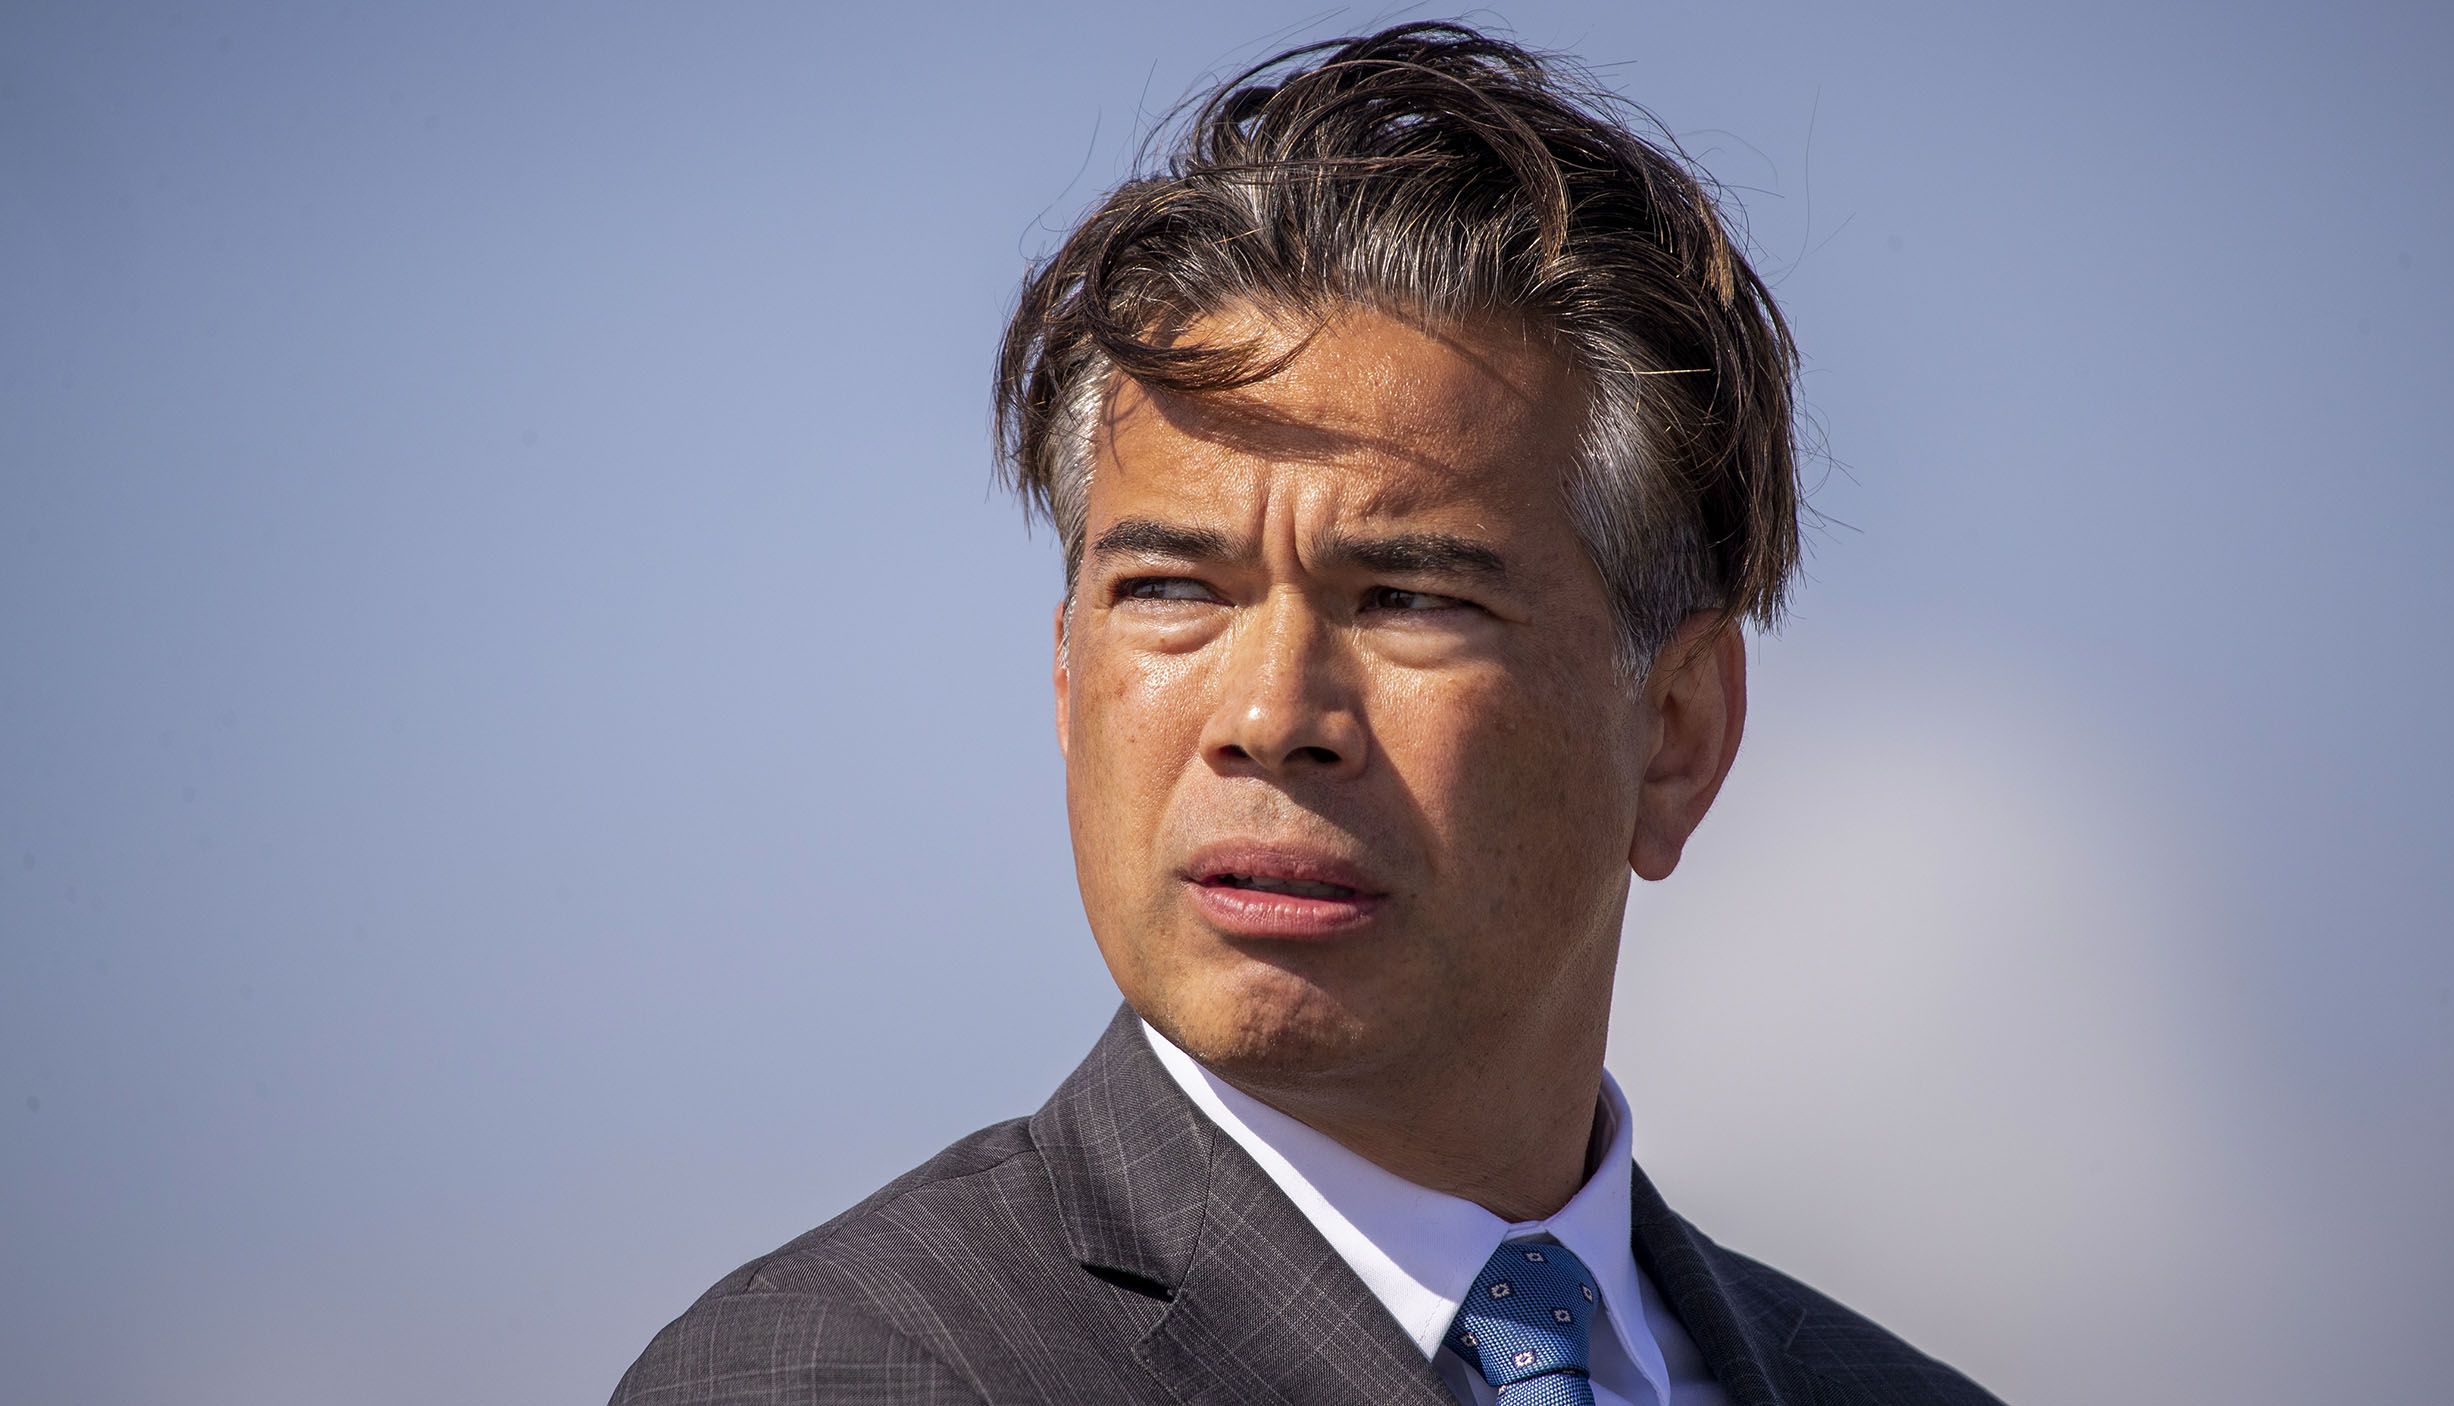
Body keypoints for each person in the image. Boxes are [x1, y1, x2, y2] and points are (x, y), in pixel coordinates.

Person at [613, 22, 2002, 1406]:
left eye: (1408, 598)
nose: (1271, 715)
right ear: (1068, 681)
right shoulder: (839, 1372)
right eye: (1171, 590)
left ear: (1679, 731)